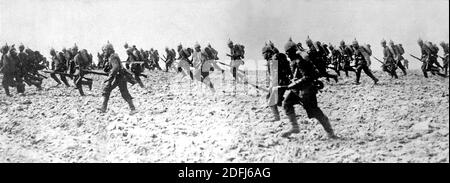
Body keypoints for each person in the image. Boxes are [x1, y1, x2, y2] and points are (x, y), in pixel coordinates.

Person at [280, 38, 337, 139]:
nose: (287, 54)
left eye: (288, 52)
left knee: (314, 111)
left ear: (293, 51)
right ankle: (295, 127)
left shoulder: (300, 61)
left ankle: (330, 132)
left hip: (307, 90)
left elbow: (307, 77)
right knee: (287, 103)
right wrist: (290, 83)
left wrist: (292, 85)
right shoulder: (294, 61)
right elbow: (296, 76)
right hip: (298, 89)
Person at [98, 42, 137, 115]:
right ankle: (133, 108)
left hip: (118, 77)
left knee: (108, 90)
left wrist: (110, 77)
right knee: (123, 92)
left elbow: (115, 68)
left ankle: (103, 108)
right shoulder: (112, 57)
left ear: (109, 50)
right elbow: (110, 68)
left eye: (105, 51)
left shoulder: (112, 57)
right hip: (120, 77)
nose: (104, 52)